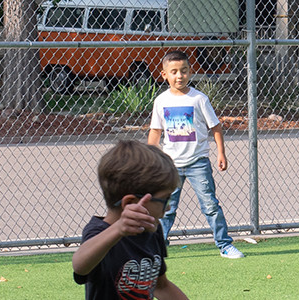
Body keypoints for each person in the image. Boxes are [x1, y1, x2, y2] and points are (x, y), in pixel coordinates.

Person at [147, 50, 244, 259]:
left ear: (190, 72)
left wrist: (221, 154)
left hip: (198, 163)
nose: (179, 76)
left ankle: (225, 246)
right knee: (165, 209)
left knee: (210, 205)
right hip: (170, 166)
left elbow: (216, 127)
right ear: (164, 75)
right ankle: (158, 249)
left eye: (183, 71)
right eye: (173, 72)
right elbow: (155, 132)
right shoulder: (161, 101)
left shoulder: (199, 99)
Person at [73, 140, 188, 300]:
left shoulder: (152, 230)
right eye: (165, 200)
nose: (168, 208)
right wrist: (118, 229)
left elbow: (161, 286)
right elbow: (80, 266)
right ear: (130, 203)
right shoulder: (100, 232)